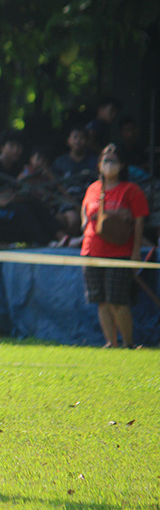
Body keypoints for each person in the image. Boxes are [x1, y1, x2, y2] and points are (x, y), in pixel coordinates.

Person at [80, 144, 149, 348]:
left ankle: (128, 343)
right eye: (105, 160)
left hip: (119, 252)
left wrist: (136, 252)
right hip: (91, 251)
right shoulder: (93, 188)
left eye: (113, 160)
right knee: (100, 301)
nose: (108, 165)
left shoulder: (131, 190)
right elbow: (85, 210)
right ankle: (111, 343)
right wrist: (84, 224)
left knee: (117, 301)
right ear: (99, 164)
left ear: (122, 165)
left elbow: (139, 222)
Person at [51, 125, 99, 200]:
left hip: (89, 200)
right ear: (68, 140)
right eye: (75, 137)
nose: (78, 141)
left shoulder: (94, 161)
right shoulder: (60, 162)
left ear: (87, 141)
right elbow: (54, 185)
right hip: (65, 202)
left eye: (82, 137)